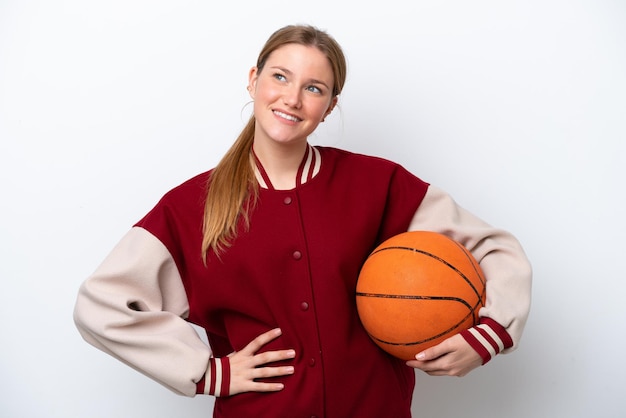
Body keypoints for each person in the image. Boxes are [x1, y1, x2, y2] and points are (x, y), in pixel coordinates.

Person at [73, 24, 532, 418]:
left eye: (314, 88)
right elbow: (102, 303)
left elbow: (495, 248)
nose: (292, 98)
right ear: (253, 81)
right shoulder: (191, 205)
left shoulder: (378, 183)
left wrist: (488, 336)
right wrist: (208, 371)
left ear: (330, 105)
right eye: (279, 77)